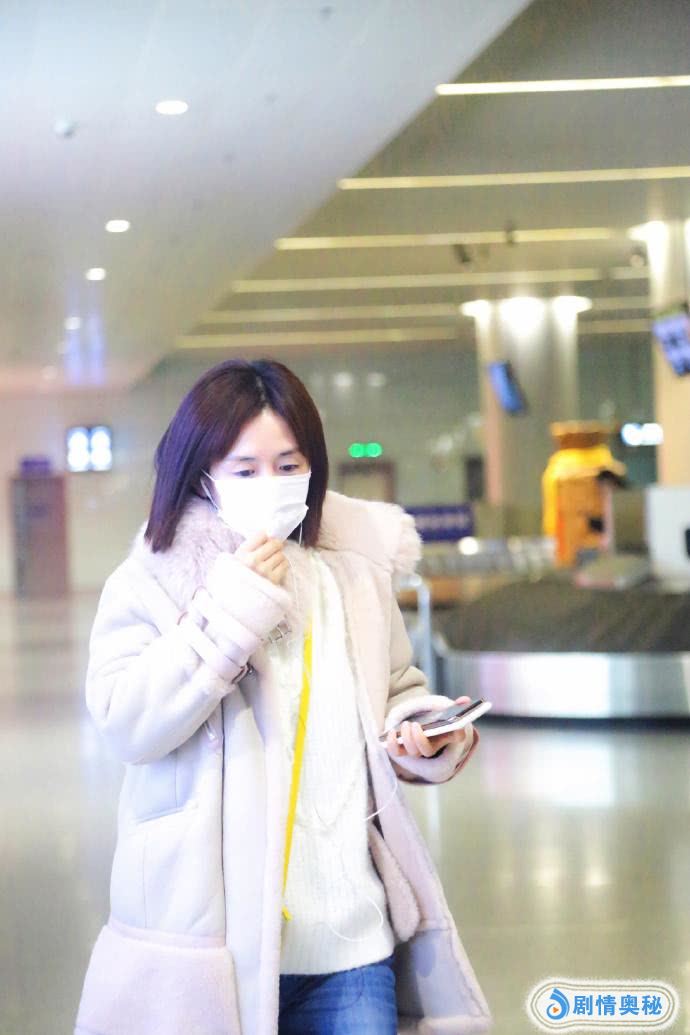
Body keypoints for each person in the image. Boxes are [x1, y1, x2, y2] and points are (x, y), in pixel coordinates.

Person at [74, 358, 492, 1035]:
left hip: (352, 943)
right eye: (245, 469)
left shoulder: (351, 573)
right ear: (202, 474)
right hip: (215, 947)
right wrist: (232, 608)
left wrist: (420, 730)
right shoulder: (152, 580)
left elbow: (395, 689)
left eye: (288, 464)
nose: (269, 483)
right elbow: (127, 722)